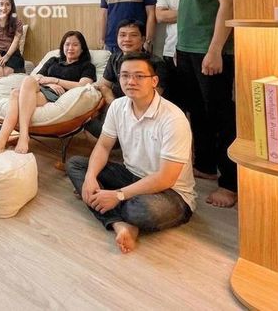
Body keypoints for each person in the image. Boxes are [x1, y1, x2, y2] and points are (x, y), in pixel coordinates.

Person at [66, 54, 196, 254]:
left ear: (154, 81)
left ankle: (111, 207)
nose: (131, 81)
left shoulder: (173, 119)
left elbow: (166, 178)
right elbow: (103, 147)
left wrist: (118, 195)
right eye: (125, 75)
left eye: (139, 76)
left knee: (139, 210)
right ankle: (119, 224)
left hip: (171, 192)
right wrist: (91, 177)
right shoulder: (118, 106)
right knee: (76, 165)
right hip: (130, 175)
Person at [168, 0, 236, 208]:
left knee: (220, 117)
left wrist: (215, 50)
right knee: (196, 113)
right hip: (186, 50)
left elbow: (227, 5)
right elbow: (189, 9)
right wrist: (180, 49)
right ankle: (206, 166)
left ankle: (230, 183)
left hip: (211, 51)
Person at [0, 31, 97, 155]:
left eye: (75, 45)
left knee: (16, 94)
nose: (70, 48)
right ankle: (20, 136)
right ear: (62, 46)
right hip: (41, 87)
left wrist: (55, 81)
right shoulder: (53, 60)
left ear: (82, 48)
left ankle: (5, 139)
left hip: (57, 94)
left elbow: (83, 85)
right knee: (24, 84)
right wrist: (49, 83)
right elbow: (36, 77)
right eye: (67, 44)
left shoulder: (87, 66)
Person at [156, 0, 188, 107]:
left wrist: (173, 13)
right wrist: (191, 12)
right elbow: (160, 16)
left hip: (196, 50)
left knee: (199, 101)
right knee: (175, 102)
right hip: (170, 50)